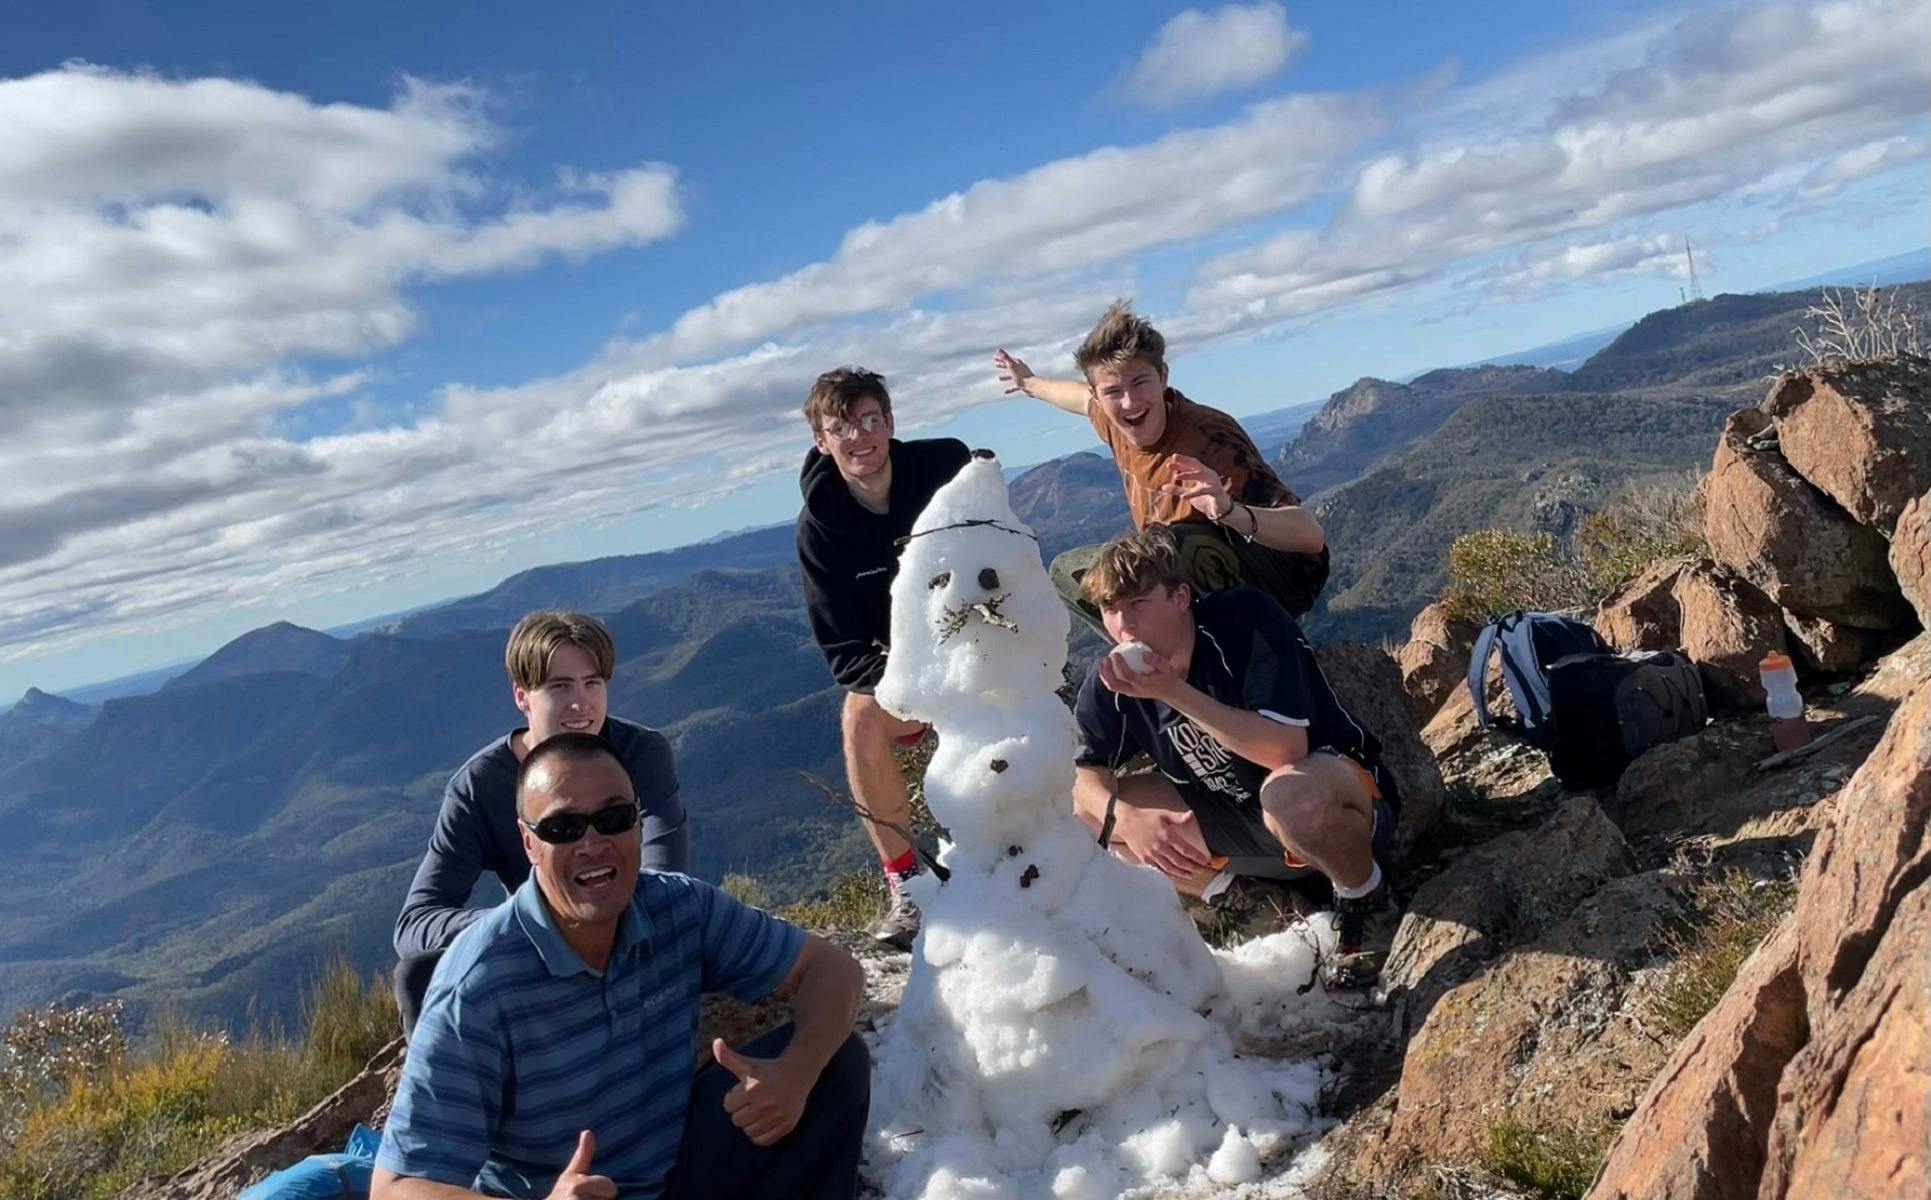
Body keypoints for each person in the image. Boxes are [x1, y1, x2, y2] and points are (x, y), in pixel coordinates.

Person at [372, 733, 870, 1200]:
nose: (593, 844)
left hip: (674, 1171)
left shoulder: (677, 907)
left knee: (836, 1063)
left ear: (637, 821)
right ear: (529, 844)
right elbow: (395, 1187)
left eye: (613, 818)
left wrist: (796, 1073)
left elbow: (832, 970)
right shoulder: (479, 985)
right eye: (563, 827)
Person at [1068, 529, 1399, 989]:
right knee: (1085, 815)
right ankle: (1246, 901)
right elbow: (1084, 773)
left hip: (1337, 806)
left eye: (1137, 603)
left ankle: (1365, 897)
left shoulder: (1240, 621)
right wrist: (1122, 817)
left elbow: (1286, 749)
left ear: (1181, 596)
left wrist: (1173, 693)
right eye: (1110, 610)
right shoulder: (1111, 677)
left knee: (1289, 794)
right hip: (1243, 827)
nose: (1124, 625)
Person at [391, 611, 688, 1034]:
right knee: (417, 974)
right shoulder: (479, 787)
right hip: (536, 951)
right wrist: (520, 919)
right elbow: (415, 922)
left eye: (593, 683)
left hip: (634, 934)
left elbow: (664, 871)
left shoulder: (641, 753)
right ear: (522, 696)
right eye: (559, 686)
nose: (580, 703)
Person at [993, 302, 1328, 636]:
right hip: (1183, 569)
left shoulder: (1209, 437)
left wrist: (1228, 510)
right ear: (1099, 394)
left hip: (1281, 578)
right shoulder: (1111, 418)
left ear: (1163, 376)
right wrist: (1030, 383)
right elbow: (1076, 396)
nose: (1129, 402)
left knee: (1170, 546)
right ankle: (1157, 657)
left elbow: (1310, 538)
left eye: (1140, 382)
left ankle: (1223, 657)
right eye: (1113, 391)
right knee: (1071, 572)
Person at [795, 367, 971, 950]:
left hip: (984, 649)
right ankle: (909, 885)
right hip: (907, 678)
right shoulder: (821, 531)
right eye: (840, 427)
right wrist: (917, 681)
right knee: (859, 717)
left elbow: (1004, 553)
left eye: (870, 420)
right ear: (822, 441)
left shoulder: (946, 473)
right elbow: (843, 654)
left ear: (891, 424)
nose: (858, 436)